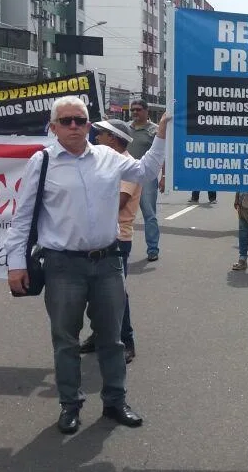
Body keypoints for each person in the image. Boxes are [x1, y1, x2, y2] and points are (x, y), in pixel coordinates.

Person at [5, 96, 169, 434]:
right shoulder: (43, 162)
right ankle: (70, 405)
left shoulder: (109, 157)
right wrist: (15, 264)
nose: (75, 126)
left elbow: (147, 171)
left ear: (89, 124)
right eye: (66, 121)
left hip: (108, 262)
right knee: (66, 340)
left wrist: (163, 130)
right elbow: (22, 217)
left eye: (80, 120)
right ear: (54, 128)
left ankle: (114, 401)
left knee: (112, 338)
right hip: (63, 266)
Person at [79, 119, 141, 364]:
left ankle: (127, 341)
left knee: (116, 294)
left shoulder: (126, 165)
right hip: (94, 237)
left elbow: (120, 202)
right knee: (93, 292)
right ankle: (98, 334)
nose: (95, 138)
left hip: (117, 238)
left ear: (113, 139)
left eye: (101, 134)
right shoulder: (102, 163)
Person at [127, 100, 161, 261]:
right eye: (132, 110)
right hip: (126, 175)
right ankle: (119, 249)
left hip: (147, 177)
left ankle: (153, 249)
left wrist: (165, 177)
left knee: (149, 214)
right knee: (121, 214)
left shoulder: (155, 130)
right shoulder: (125, 128)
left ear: (147, 111)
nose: (135, 112)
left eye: (138, 109)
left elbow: (163, 154)